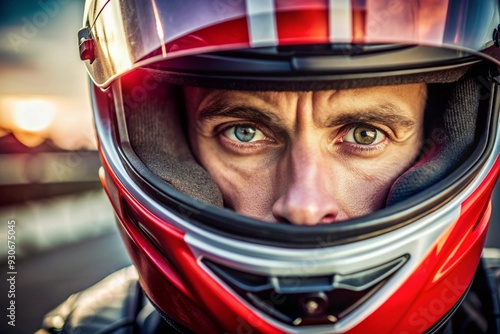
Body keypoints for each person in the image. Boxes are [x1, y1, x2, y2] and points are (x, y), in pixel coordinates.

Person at [40, 1, 500, 333]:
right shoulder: (84, 326)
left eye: (364, 134)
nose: (304, 205)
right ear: (170, 144)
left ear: (436, 144)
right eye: (244, 132)